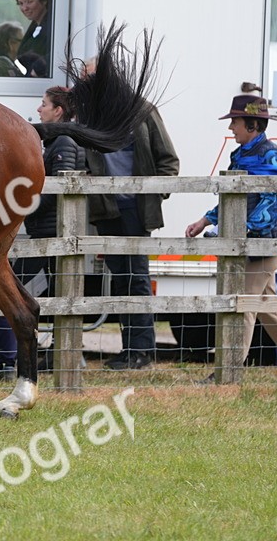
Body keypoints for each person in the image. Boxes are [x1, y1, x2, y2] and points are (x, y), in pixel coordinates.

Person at [185, 87, 277, 382]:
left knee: (242, 302)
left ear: (252, 125)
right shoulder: (244, 154)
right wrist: (206, 220)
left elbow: (274, 199)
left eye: (235, 122)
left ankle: (227, 371)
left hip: (268, 242)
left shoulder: (269, 156)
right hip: (258, 241)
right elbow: (234, 199)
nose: (231, 128)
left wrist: (244, 230)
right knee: (265, 306)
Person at [0, 86, 85, 375]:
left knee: (14, 286)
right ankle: (14, 353)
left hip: (51, 232)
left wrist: (14, 204)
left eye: (43, 104)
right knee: (32, 288)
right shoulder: (55, 142)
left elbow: (54, 192)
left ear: (58, 111)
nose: (38, 110)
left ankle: (27, 355)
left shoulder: (64, 143)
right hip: (43, 230)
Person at [84, 67, 179, 371]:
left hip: (136, 211)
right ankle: (129, 351)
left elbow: (168, 160)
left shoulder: (143, 111)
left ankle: (141, 352)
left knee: (137, 278)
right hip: (107, 210)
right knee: (121, 279)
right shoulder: (92, 116)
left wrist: (153, 196)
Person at [13, 0, 51, 76]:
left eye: (29, 2)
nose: (25, 8)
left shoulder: (55, 27)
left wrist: (37, 69)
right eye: (21, 3)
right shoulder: (35, 27)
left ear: (43, 0)